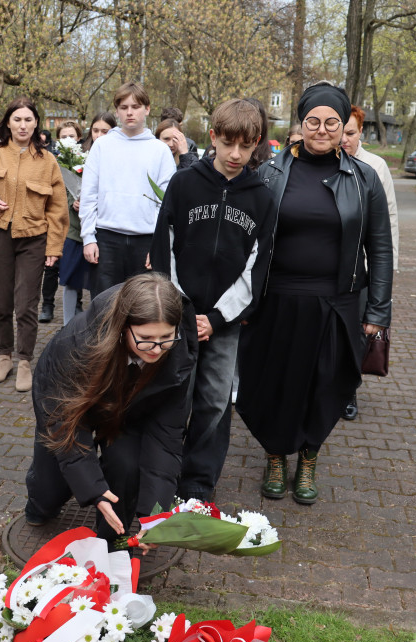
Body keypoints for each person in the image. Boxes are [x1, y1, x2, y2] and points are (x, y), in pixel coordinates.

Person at [236, 82, 393, 505]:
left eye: (331, 123)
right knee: (271, 381)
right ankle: (274, 454)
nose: (321, 130)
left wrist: (378, 310)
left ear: (344, 127)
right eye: (313, 121)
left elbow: (380, 247)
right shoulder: (268, 174)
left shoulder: (364, 180)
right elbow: (244, 238)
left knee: (325, 384)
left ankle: (308, 458)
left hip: (336, 303)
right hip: (276, 300)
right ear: (300, 124)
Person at [150, 98, 273, 502]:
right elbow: (164, 247)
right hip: (178, 318)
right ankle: (160, 477)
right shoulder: (184, 184)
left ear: (256, 143)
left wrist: (217, 318)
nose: (236, 155)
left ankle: (198, 484)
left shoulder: (262, 198)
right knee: (171, 396)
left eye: (246, 146)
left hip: (223, 325)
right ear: (214, 138)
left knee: (214, 403)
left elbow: (257, 268)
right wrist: (183, 312)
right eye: (228, 144)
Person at [24, 272, 199, 544]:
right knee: (53, 484)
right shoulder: (77, 343)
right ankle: (40, 503)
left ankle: (111, 537)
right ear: (123, 326)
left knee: (126, 466)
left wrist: (156, 514)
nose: (156, 350)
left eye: (166, 337)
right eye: (146, 338)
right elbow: (64, 422)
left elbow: (166, 436)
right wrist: (93, 490)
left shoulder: (177, 351)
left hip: (130, 405)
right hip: (71, 403)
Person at [0, 96, 69, 393]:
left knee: (26, 305)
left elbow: (58, 208)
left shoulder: (47, 161)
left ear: (37, 123)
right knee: (0, 302)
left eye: (29, 119)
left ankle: (24, 361)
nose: (23, 125)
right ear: (8, 122)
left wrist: (53, 248)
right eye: (17, 119)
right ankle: (4, 356)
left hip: (34, 240)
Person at [79, 82, 176, 294]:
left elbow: (166, 202)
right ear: (117, 111)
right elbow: (88, 195)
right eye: (124, 107)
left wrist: (158, 245)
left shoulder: (159, 150)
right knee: (105, 309)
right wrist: (88, 238)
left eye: (136, 106)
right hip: (106, 239)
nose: (130, 112)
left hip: (146, 241)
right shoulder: (102, 146)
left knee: (142, 309)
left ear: (147, 109)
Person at [340, 105, 400, 421]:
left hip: (362, 269)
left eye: (351, 133)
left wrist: (387, 272)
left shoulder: (375, 167)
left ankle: (348, 390)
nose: (345, 139)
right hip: (333, 268)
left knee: (357, 333)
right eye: (342, 132)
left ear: (360, 132)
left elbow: (388, 219)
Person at [52, 121, 92, 325]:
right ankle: (67, 325)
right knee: (68, 279)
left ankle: (96, 323)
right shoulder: (55, 164)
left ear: (79, 138)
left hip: (91, 229)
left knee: (94, 280)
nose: (67, 140)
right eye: (63, 136)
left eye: (71, 136)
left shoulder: (86, 161)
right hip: (70, 230)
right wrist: (72, 203)